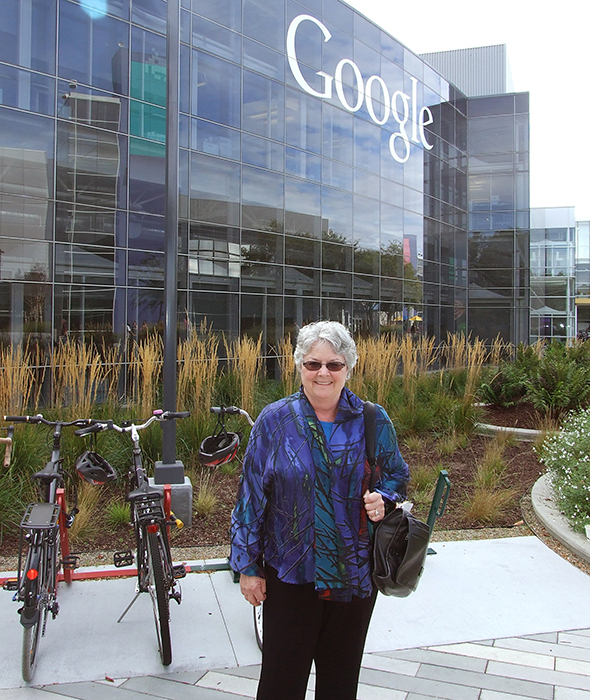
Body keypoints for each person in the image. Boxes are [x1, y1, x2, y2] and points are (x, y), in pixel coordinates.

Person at [230, 320, 409, 700]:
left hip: (354, 576)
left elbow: (396, 476)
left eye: (333, 364)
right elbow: (250, 499)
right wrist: (247, 566)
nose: (323, 373)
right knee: (281, 683)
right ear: (299, 367)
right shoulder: (275, 422)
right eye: (313, 364)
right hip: (291, 574)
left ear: (349, 367)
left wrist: (383, 497)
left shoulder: (372, 420)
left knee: (340, 684)